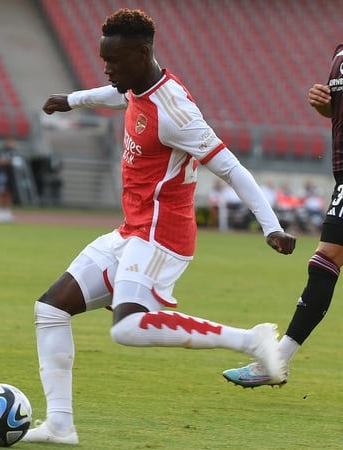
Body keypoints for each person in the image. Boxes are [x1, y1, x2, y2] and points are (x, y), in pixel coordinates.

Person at [22, 9, 296, 445]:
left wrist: (271, 227)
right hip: (132, 230)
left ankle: (251, 340)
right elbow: (117, 96)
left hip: (162, 237)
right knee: (51, 310)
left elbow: (232, 169)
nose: (106, 68)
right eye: (103, 59)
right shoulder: (135, 86)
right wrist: (70, 99)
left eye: (112, 61)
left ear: (141, 52)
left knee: (128, 327)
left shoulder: (176, 111)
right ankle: (59, 425)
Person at [222, 49, 343, 388]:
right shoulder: (338, 53)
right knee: (325, 262)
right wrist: (326, 105)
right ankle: (276, 362)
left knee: (324, 261)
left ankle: (275, 361)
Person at [0, 138, 16, 223]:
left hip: (10, 174)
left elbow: (14, 161)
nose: (11, 144)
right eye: (10, 142)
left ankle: (7, 214)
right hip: (2, 174)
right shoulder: (1, 151)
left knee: (9, 193)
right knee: (0, 192)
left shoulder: (13, 151)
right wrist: (5, 162)